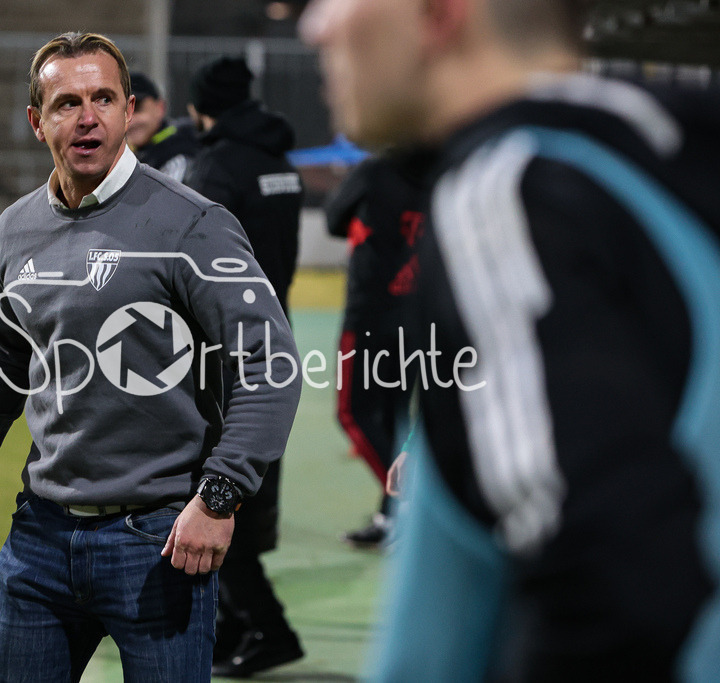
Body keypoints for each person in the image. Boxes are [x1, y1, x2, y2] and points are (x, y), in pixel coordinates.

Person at [302, 0, 720, 680]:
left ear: (439, 15)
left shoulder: (506, 194)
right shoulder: (657, 152)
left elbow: (621, 577)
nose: (314, 26)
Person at [0, 32, 301, 682]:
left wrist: (220, 496)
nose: (88, 117)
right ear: (36, 121)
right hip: (39, 537)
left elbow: (269, 365)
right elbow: (7, 349)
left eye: (103, 97)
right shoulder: (15, 228)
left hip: (159, 541)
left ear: (130, 109)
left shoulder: (191, 223)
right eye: (67, 102)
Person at [183, 55, 305, 679]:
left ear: (204, 105)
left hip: (223, 348)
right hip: (273, 331)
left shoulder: (214, 169)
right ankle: (233, 623)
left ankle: (266, 626)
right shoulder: (279, 164)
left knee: (217, 488)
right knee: (252, 484)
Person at [325, 149, 432, 549]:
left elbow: (336, 218)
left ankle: (412, 502)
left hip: (370, 312)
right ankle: (392, 516)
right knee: (396, 418)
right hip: (420, 311)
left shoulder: (374, 172)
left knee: (354, 414)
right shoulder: (443, 169)